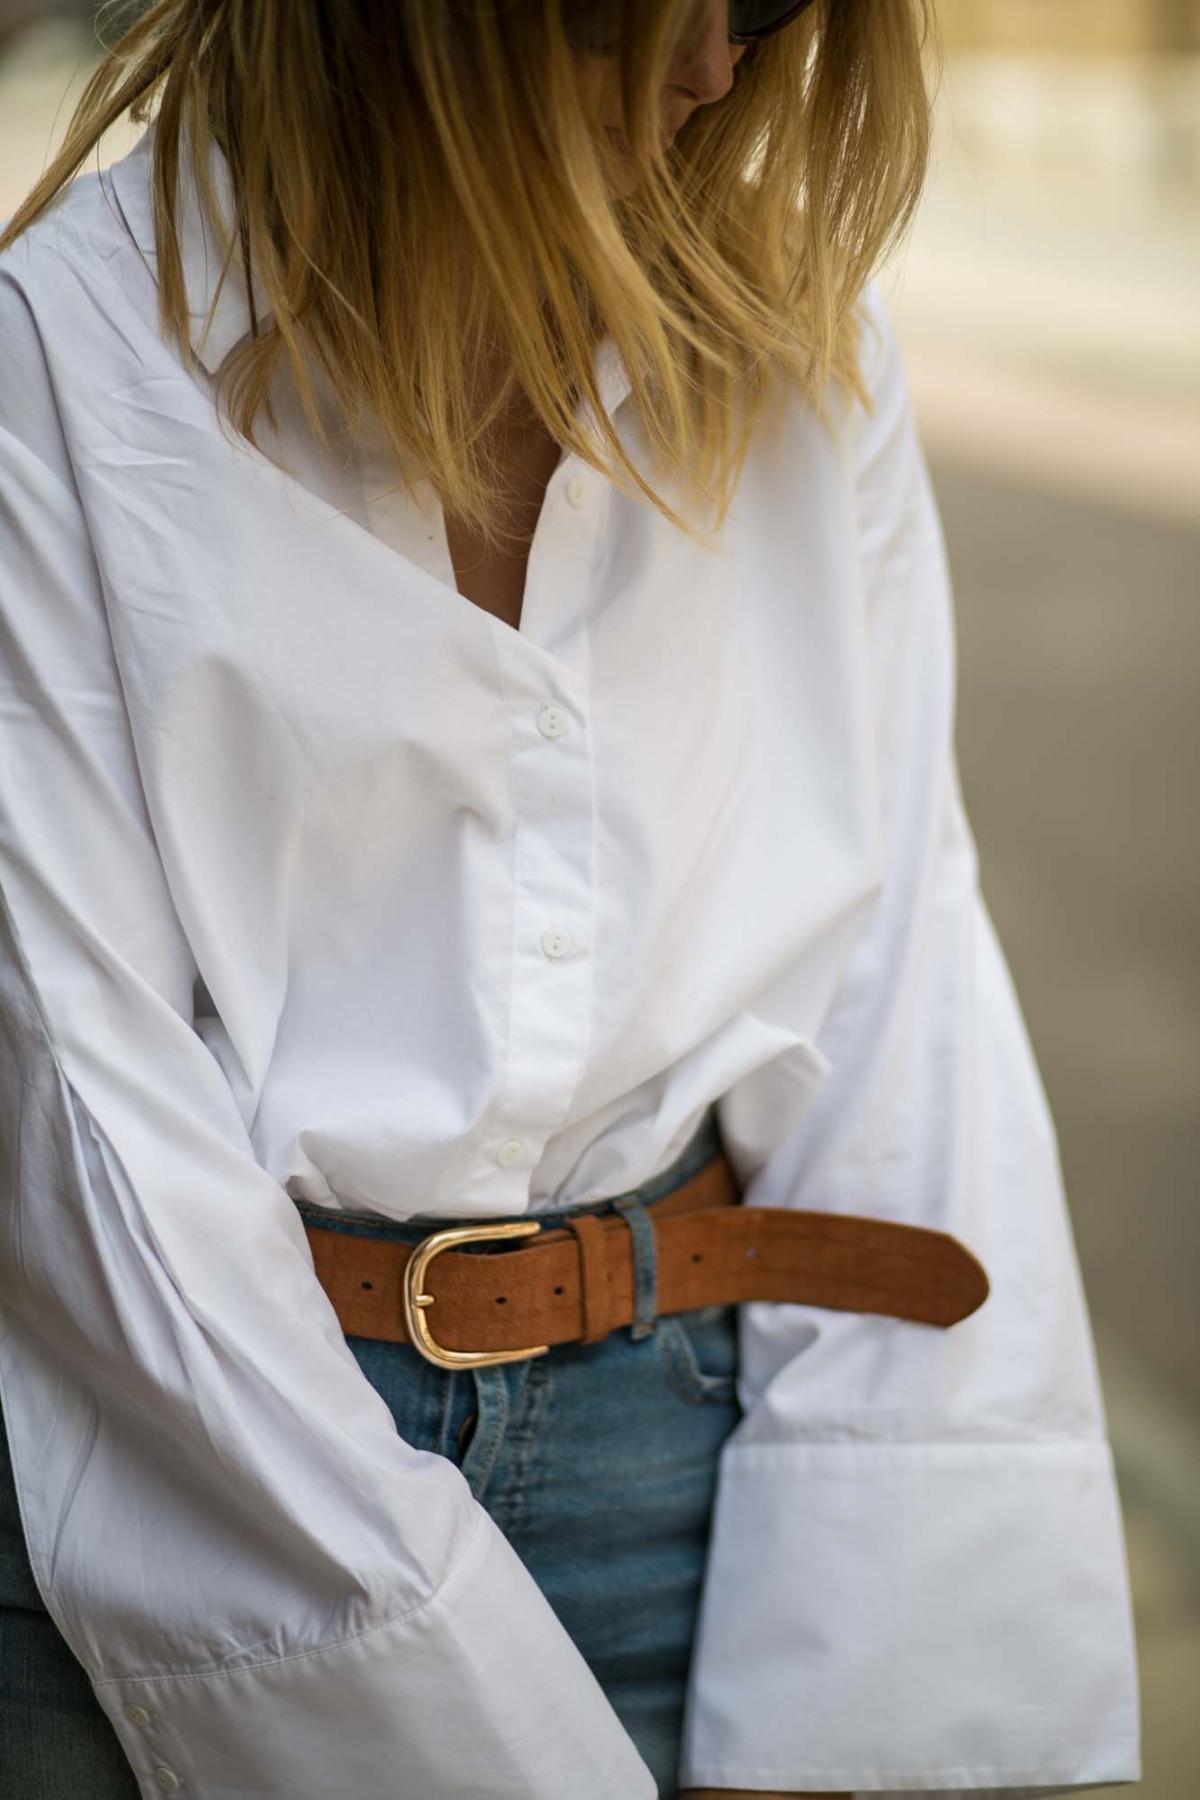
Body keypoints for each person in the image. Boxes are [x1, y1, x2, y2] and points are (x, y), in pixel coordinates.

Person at [0, 2, 1141, 1796]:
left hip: (697, 1467)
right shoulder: (60, 363)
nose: (712, 72)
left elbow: (896, 994)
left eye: (761, 5)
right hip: (183, 1518)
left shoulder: (805, 352)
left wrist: (854, 1680)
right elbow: (89, 1129)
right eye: (639, 7)